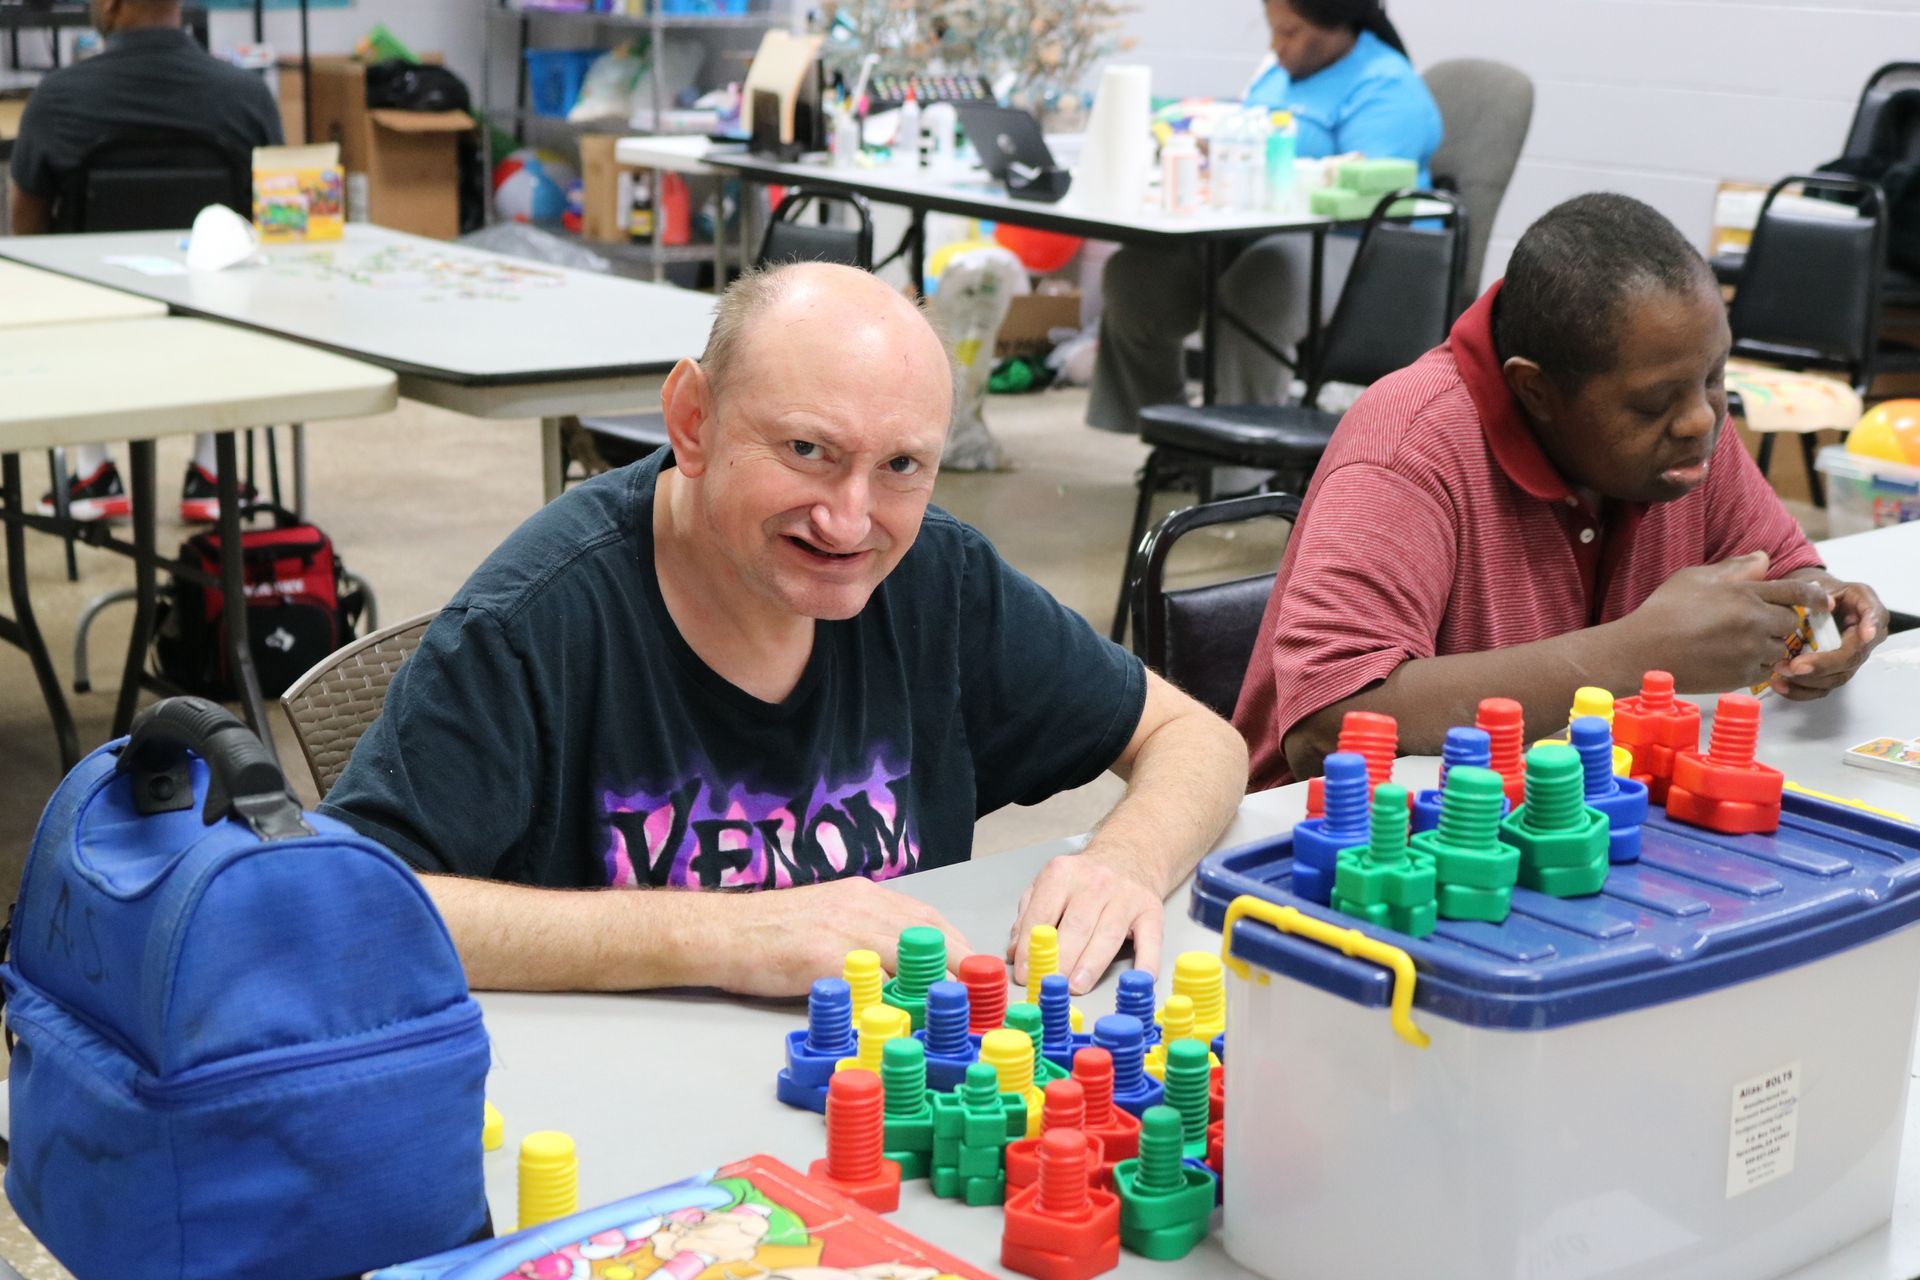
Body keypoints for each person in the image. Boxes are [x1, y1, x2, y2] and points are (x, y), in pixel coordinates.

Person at [321, 262, 1250, 998]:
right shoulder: (539, 622)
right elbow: (338, 912)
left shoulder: (937, 580)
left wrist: (1123, 860)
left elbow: (1194, 738)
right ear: (692, 419)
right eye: (808, 451)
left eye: (900, 466)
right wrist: (720, 932)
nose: (849, 522)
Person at [1234, 193, 1892, 789]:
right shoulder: (1408, 449)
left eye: (1714, 375)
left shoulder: (1682, 434)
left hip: (1566, 815)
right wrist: (1638, 653)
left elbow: (1784, 567)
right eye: (1653, 403)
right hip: (1359, 847)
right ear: (1535, 391)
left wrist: (1822, 615)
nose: (1700, 420)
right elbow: (1329, 723)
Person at [1086, 0, 1442, 432]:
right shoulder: (1277, 77)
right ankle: (1166, 436)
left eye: (1289, 32)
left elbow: (1370, 192)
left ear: (1335, 26)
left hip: (1361, 247)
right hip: (1255, 233)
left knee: (1261, 285)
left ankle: (1242, 465)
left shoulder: (1388, 88)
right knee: (1137, 273)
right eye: (1273, 31)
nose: (1276, 47)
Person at [8, 0, 282, 522]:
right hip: (218, 328)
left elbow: (26, 225)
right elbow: (273, 218)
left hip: (94, 326)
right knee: (232, 279)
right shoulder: (247, 96)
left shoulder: (57, 98)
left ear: (109, 4)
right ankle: (212, 470)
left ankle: (92, 469)